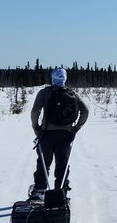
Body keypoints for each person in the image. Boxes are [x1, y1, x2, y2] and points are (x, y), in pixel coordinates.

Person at [29, 67, 89, 199]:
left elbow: (35, 112)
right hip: (66, 135)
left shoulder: (44, 93)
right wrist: (75, 128)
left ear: (52, 78)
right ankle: (61, 191)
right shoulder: (73, 94)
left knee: (44, 163)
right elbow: (85, 111)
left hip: (46, 134)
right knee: (62, 163)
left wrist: (36, 128)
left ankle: (40, 191)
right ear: (65, 79)